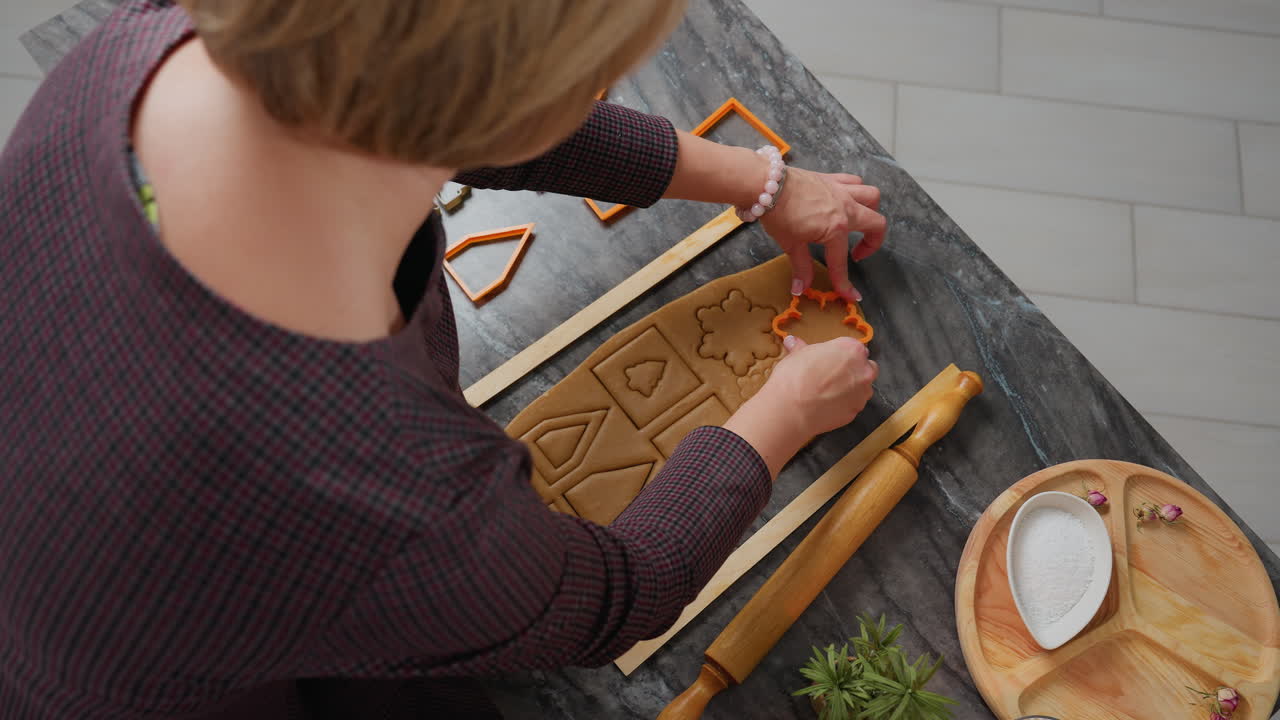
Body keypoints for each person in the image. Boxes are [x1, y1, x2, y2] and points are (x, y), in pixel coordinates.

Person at [0, 0, 884, 717]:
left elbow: (440, 110)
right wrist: (783, 414)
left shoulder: (143, 44)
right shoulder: (396, 485)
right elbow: (618, 598)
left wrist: (759, 181)